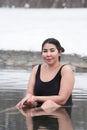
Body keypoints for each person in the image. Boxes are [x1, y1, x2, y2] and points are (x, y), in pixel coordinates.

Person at [16, 38, 75, 109]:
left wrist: (36, 98)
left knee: (48, 104)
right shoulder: (36, 69)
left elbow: (62, 99)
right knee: (21, 105)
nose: (48, 54)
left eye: (52, 51)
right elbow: (30, 94)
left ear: (59, 52)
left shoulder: (66, 70)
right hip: (39, 109)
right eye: (45, 51)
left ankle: (36, 113)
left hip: (61, 111)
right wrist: (28, 99)